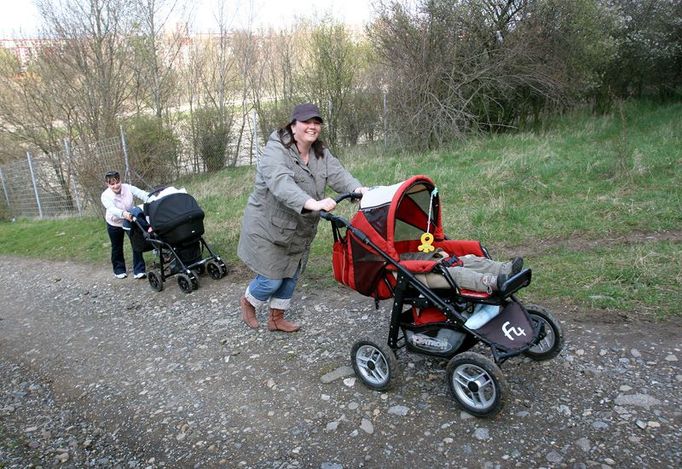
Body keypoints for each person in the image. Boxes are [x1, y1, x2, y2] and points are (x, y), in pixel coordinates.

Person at [238, 103, 369, 332]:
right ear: (293, 125)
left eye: (316, 122)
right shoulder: (276, 150)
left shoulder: (320, 152)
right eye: (307, 122)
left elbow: (338, 174)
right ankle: (248, 301)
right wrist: (313, 203)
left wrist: (359, 190)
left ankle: (276, 318)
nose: (312, 127)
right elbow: (281, 184)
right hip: (267, 225)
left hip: (299, 227)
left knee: (291, 273)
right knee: (271, 279)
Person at [100, 170, 149, 279]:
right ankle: (119, 269)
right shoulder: (105, 196)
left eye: (117, 182)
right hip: (114, 223)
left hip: (130, 220)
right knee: (116, 246)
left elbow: (141, 193)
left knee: (136, 242)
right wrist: (123, 214)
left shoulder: (128, 188)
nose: (116, 186)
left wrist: (151, 199)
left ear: (120, 180)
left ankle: (139, 270)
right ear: (107, 184)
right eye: (112, 184)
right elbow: (112, 209)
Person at [402, 249, 524, 293]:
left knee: (471, 260)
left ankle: (504, 269)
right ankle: (492, 282)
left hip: (438, 261)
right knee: (459, 274)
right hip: (421, 273)